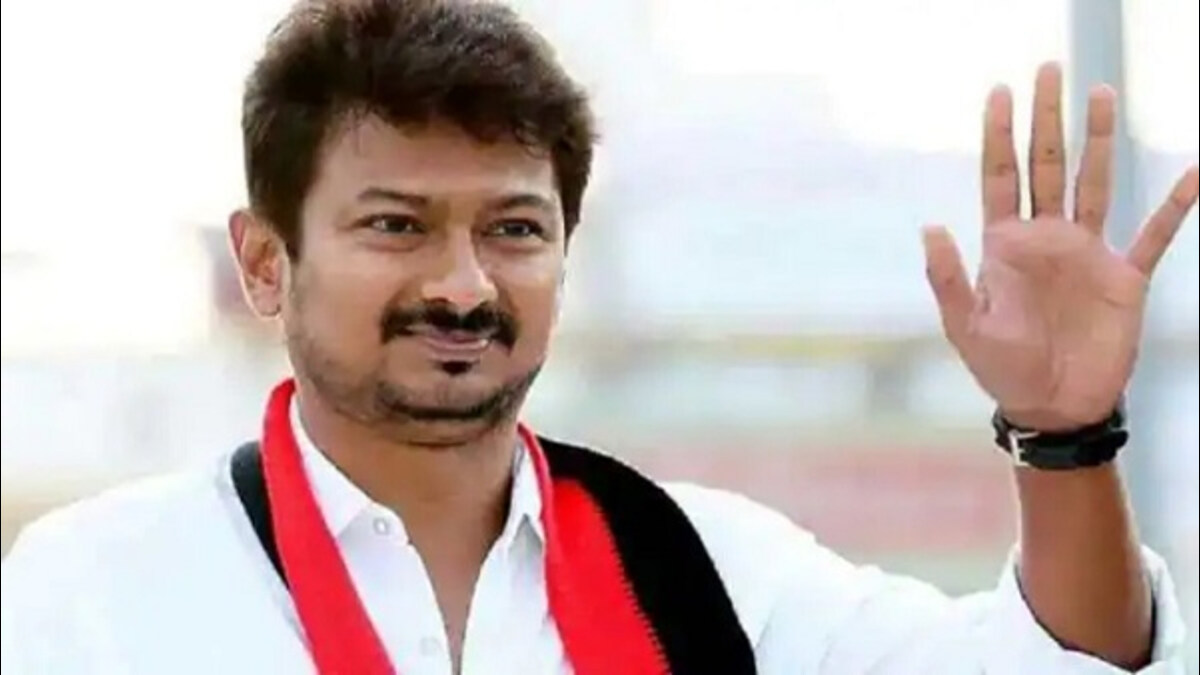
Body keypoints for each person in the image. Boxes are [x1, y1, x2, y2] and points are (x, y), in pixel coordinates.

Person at [2, 0, 1197, 672]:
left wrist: (1063, 437)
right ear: (266, 262)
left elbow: (1060, 670)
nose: (462, 285)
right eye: (396, 225)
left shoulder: (702, 574)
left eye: (515, 229)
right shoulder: (92, 593)